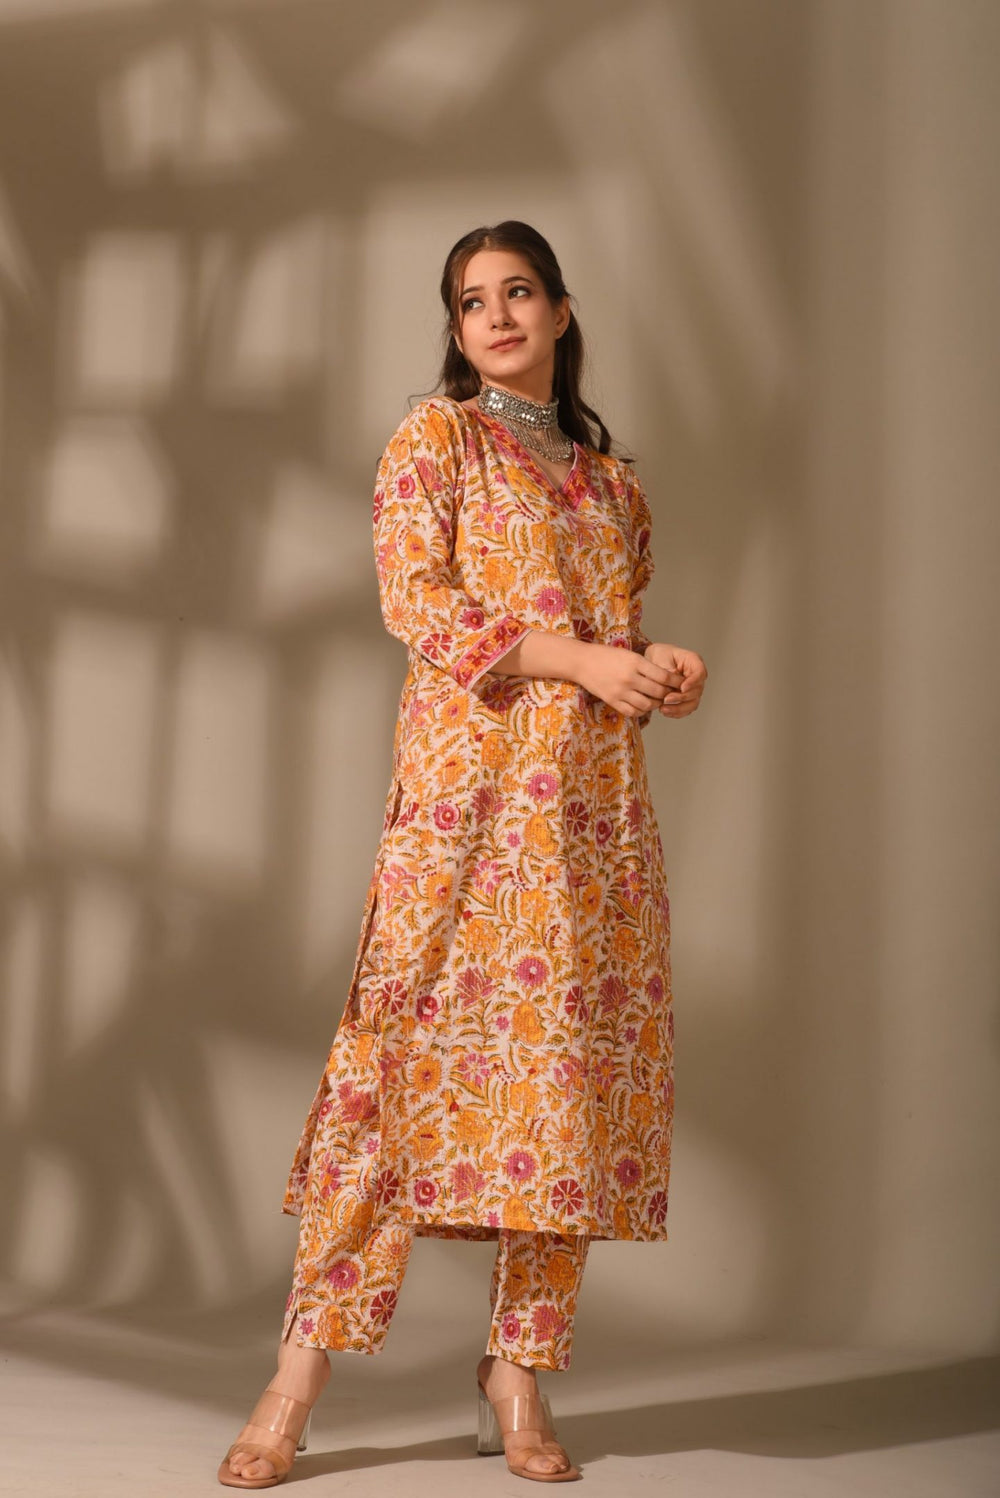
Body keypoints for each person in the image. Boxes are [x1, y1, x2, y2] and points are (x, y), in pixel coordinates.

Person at [217, 220, 707, 1489]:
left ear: (560, 311)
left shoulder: (612, 486)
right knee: (392, 1061)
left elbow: (612, 637)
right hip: (465, 803)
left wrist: (656, 666)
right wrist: (583, 658)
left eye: (517, 291)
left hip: (588, 821)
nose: (494, 315)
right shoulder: (435, 440)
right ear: (456, 327)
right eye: (471, 299)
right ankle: (295, 1377)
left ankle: (519, 1373)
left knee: (561, 1082)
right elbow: (418, 604)